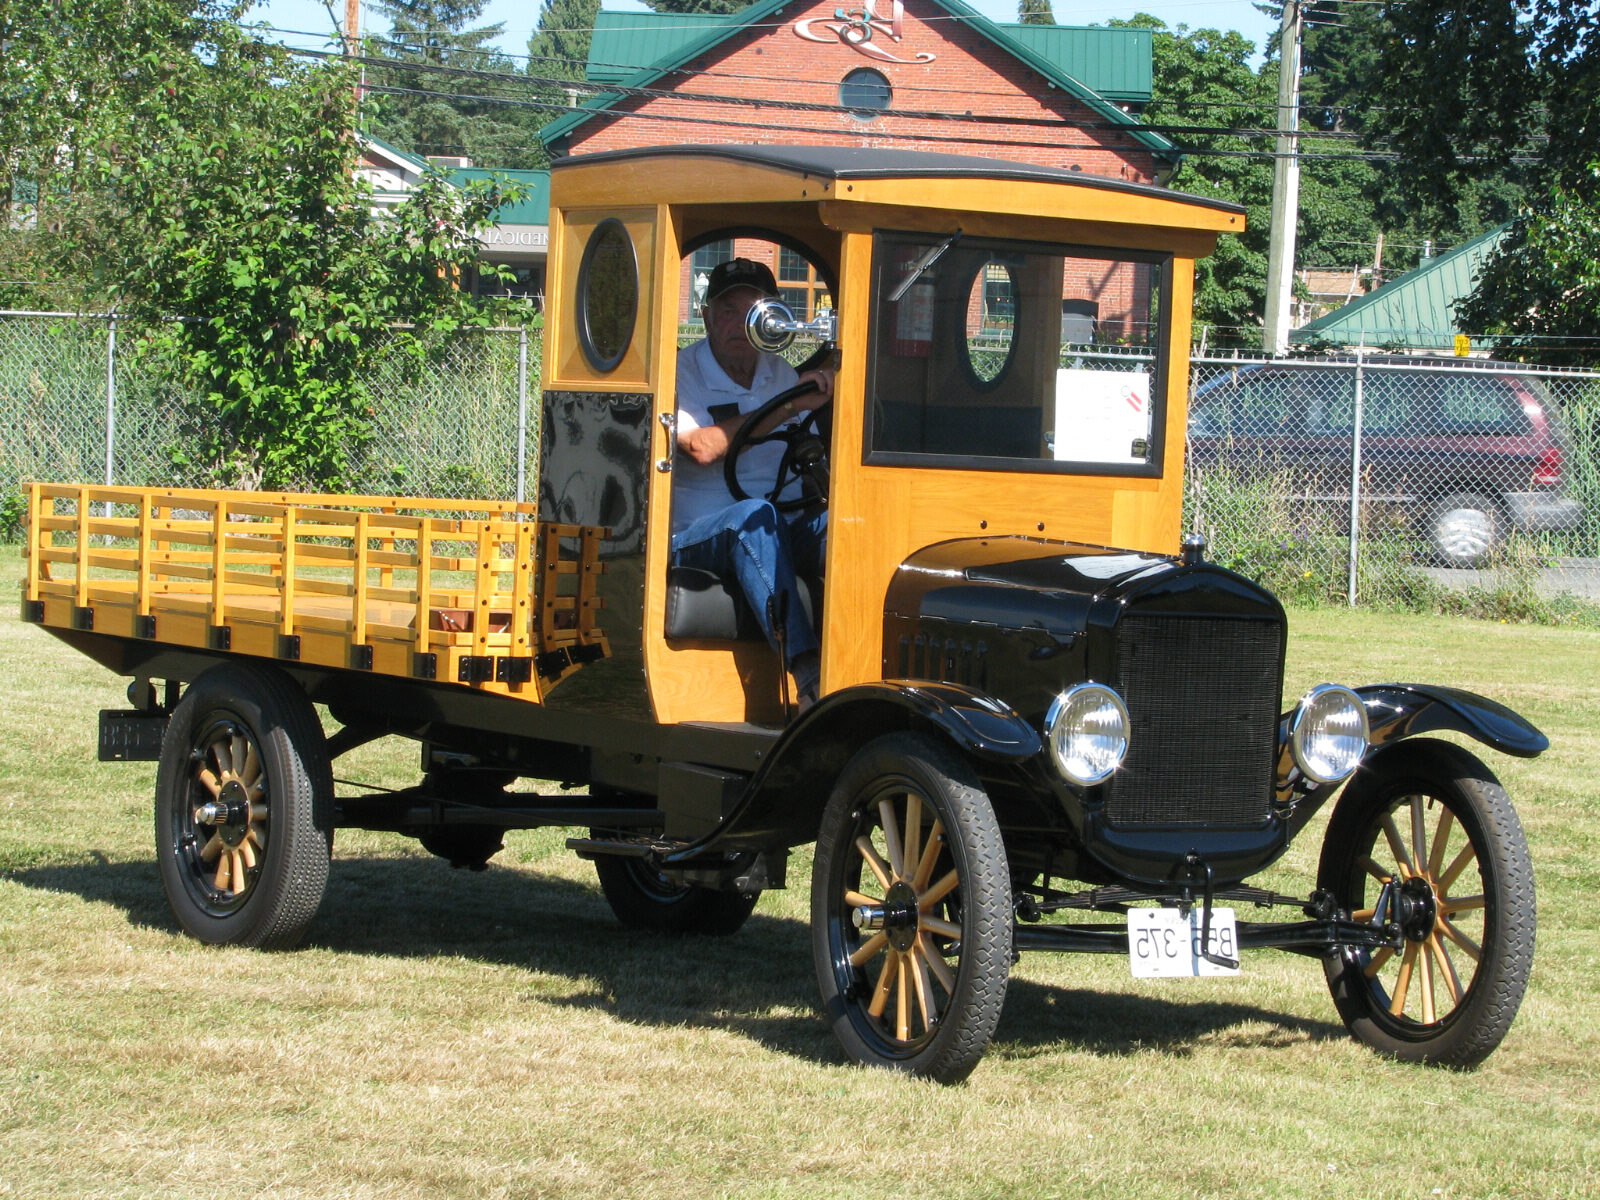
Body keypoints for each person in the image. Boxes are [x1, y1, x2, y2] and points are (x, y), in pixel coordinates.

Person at [671, 258, 833, 709]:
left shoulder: (779, 373)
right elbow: (701, 446)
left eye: (752, 312)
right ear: (705, 317)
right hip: (697, 533)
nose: (738, 324)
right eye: (727, 311)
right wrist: (786, 406)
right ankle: (810, 679)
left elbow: (810, 458)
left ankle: (869, 664)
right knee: (754, 518)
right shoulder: (681, 372)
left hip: (779, 521)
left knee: (842, 523)